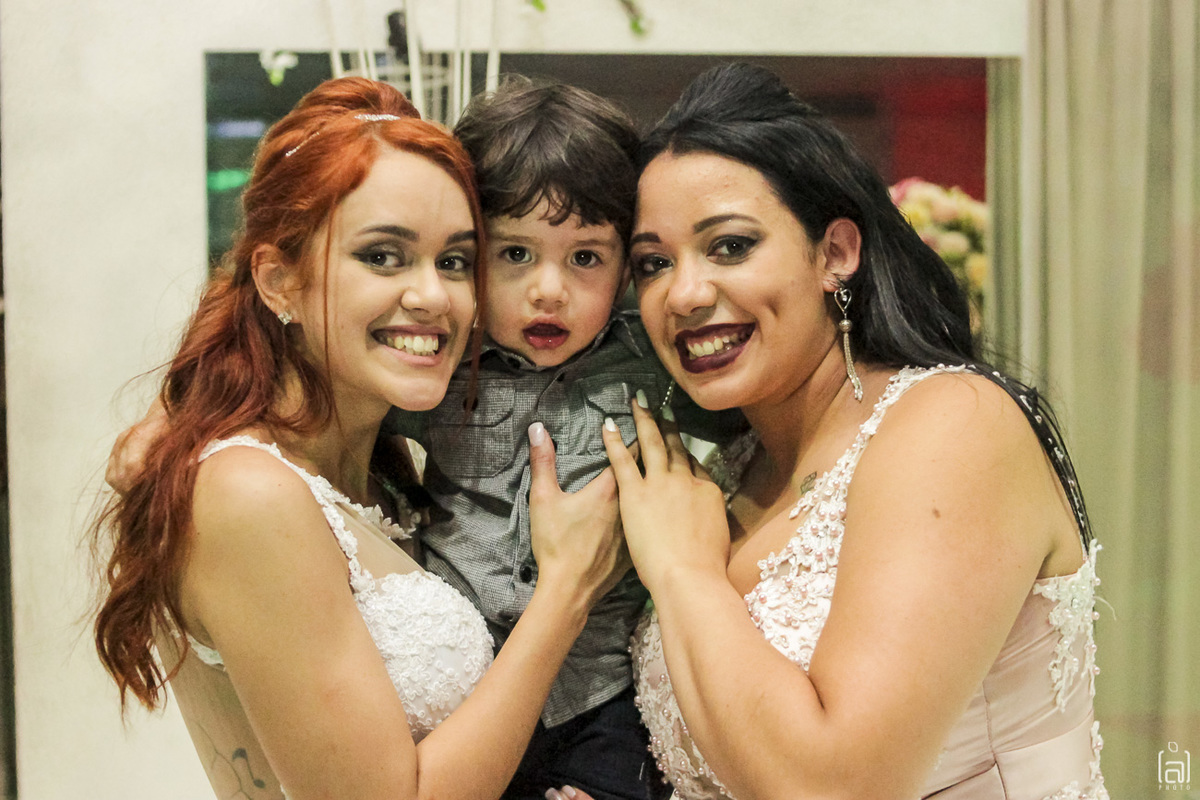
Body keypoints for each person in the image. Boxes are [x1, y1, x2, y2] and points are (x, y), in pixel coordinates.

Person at [579, 63, 1109, 800]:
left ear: (835, 254)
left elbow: (837, 786)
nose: (685, 293)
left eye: (729, 246)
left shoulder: (954, 424)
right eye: (653, 263)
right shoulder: (728, 472)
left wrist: (683, 572)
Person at [92, 76, 627, 800]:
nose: (433, 296)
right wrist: (566, 591)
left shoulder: (382, 468)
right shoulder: (251, 494)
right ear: (278, 280)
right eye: (382, 256)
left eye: (455, 261)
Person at [387, 78, 732, 800]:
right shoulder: (441, 364)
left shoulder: (654, 363)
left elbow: (762, 418)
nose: (549, 289)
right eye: (515, 253)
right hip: (475, 691)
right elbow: (320, 408)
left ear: (627, 266)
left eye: (585, 258)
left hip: (602, 697)